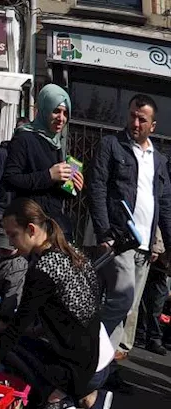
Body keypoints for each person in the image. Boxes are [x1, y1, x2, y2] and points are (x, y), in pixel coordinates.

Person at [0, 198, 113, 409]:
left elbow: (16, 328)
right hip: (101, 357)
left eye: (13, 235)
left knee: (2, 340)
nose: (10, 242)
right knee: (21, 340)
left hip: (81, 368)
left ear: (31, 230)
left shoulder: (43, 269)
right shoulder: (72, 252)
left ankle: (60, 397)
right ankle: (85, 396)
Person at [88, 94, 171, 359]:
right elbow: (97, 187)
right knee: (120, 303)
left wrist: (168, 244)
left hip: (145, 248)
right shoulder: (111, 145)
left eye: (142, 119)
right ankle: (93, 358)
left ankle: (107, 365)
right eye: (132, 116)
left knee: (130, 309)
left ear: (153, 126)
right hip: (120, 241)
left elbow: (165, 202)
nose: (135, 123)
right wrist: (103, 232)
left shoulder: (158, 159)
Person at [2, 84, 81, 239]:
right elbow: (10, 180)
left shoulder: (57, 144)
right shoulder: (24, 138)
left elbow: (51, 194)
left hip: (50, 226)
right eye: (56, 111)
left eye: (65, 113)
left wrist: (71, 186)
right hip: (28, 226)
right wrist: (49, 175)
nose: (61, 118)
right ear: (44, 110)